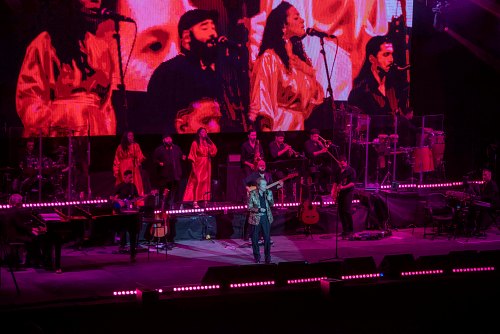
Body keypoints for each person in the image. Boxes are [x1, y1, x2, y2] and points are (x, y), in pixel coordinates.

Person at [16, 0, 116, 138]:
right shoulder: (44, 44)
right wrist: (58, 124)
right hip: (61, 134)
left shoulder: (101, 48)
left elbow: (107, 105)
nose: (97, 1)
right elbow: (30, 100)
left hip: (96, 134)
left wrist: (106, 134)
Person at [146, 9, 226, 135]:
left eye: (213, 28)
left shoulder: (210, 72)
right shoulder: (168, 72)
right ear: (187, 38)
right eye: (205, 28)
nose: (213, 34)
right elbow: (158, 119)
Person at [249, 1, 324, 131]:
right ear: (283, 25)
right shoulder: (270, 57)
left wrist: (309, 71)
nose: (302, 20)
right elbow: (262, 99)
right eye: (296, 17)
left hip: (299, 126)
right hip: (279, 126)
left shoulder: (298, 60)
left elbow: (314, 96)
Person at [183, 127, 217, 209]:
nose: (204, 133)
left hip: (207, 164)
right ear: (199, 134)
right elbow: (192, 156)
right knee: (197, 182)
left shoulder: (207, 143)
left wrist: (210, 143)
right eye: (202, 132)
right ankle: (195, 201)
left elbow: (214, 151)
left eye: (205, 132)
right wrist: (193, 167)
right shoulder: (195, 143)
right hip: (199, 164)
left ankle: (205, 200)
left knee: (206, 182)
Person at [152, 134, 186, 209]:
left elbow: (181, 156)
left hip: (175, 175)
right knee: (165, 193)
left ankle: (175, 207)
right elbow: (154, 160)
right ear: (163, 140)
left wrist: (183, 157)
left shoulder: (176, 148)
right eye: (167, 138)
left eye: (170, 138)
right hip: (165, 176)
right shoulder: (159, 149)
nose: (169, 140)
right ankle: (164, 208)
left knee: (176, 192)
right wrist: (159, 163)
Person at [247, 177, 274, 264]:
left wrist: (269, 196)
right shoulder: (252, 194)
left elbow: (272, 204)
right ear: (258, 185)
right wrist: (258, 209)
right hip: (256, 218)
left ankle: (267, 257)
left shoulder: (268, 192)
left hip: (266, 218)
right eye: (263, 184)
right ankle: (257, 257)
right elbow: (249, 207)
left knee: (267, 238)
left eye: (265, 184)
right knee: (255, 239)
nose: (265, 186)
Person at [467, 168, 500, 236]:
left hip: (492, 204)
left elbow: (491, 197)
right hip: (486, 203)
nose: (483, 176)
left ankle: (477, 228)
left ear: (490, 175)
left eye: (485, 175)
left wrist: (480, 198)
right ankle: (472, 227)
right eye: (483, 175)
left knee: (478, 208)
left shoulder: (492, 184)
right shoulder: (484, 184)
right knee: (472, 206)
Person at [331, 155, 357, 240]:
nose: (342, 166)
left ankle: (350, 230)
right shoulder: (338, 171)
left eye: (343, 164)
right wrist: (333, 191)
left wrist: (343, 187)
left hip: (348, 192)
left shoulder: (351, 171)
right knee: (341, 211)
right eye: (340, 164)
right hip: (340, 193)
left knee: (346, 210)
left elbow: (352, 183)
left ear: (346, 163)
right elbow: (335, 182)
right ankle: (345, 230)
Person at [113, 131, 145, 196]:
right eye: (129, 136)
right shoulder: (120, 147)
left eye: (132, 136)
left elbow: (140, 156)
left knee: (136, 183)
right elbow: (117, 159)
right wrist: (116, 171)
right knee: (125, 183)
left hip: (133, 167)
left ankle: (136, 201)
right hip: (123, 167)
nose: (131, 137)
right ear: (125, 137)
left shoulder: (136, 145)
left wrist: (139, 161)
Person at [304, 128, 334, 196]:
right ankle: (317, 190)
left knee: (329, 171)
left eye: (317, 136)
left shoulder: (318, 143)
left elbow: (325, 151)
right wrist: (321, 151)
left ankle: (325, 188)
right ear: (311, 136)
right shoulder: (307, 143)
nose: (316, 138)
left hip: (320, 164)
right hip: (311, 164)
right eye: (315, 136)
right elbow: (311, 154)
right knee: (317, 174)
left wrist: (322, 145)